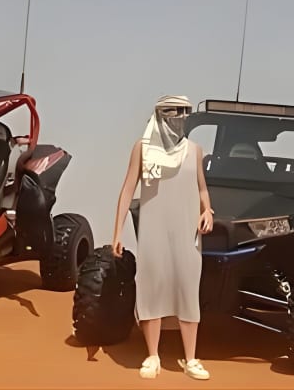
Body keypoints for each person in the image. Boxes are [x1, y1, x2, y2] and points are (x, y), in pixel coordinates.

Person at [112, 95, 213, 381]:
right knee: (152, 288)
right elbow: (128, 188)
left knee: (187, 288)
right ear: (162, 114)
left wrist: (208, 210)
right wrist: (117, 231)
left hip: (187, 232)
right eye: (177, 112)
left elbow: (202, 189)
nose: (182, 117)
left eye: (186, 112)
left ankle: (191, 358)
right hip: (154, 229)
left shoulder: (193, 151)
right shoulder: (143, 149)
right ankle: (152, 354)